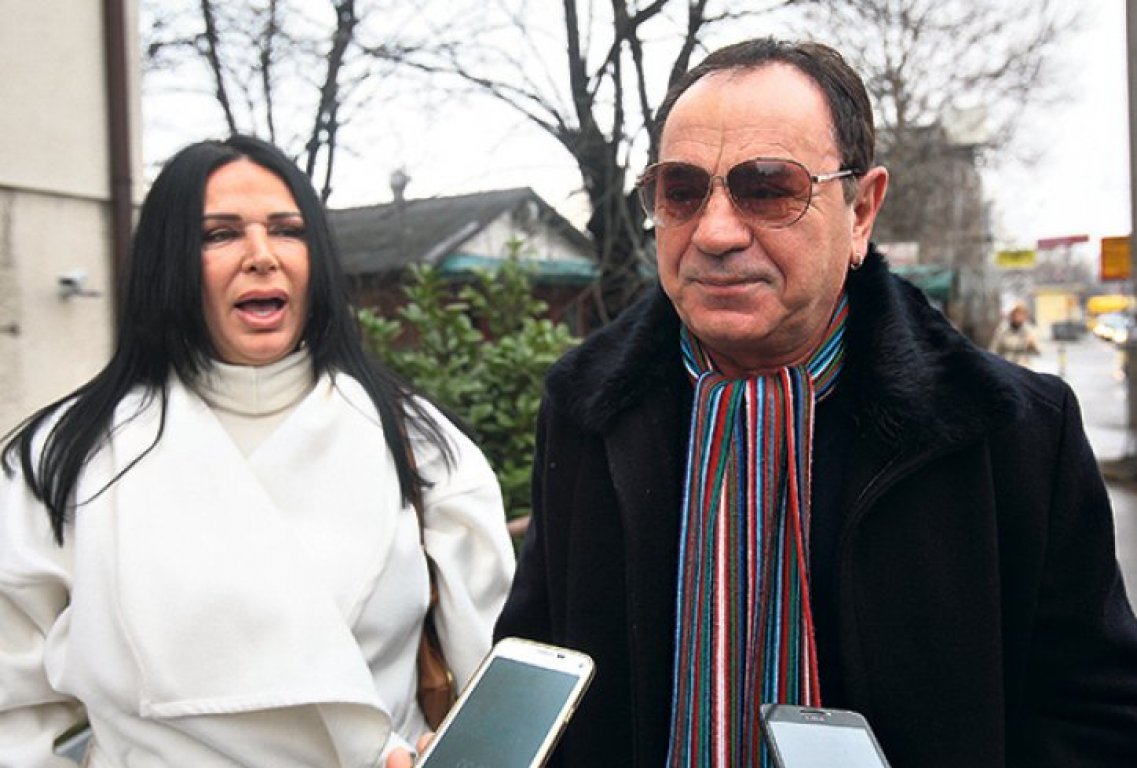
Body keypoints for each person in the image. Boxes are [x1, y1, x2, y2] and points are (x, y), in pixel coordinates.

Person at [494, 38, 1137, 767]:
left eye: (768, 188)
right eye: (680, 190)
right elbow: (534, 674)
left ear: (861, 211)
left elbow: (1093, 719)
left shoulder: (1013, 434)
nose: (714, 232)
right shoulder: (583, 410)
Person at [0, 135, 515, 766]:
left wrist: (461, 754)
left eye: (287, 230)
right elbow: (9, 715)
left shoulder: (419, 443)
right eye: (219, 234)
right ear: (168, 261)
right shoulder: (64, 458)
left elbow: (500, 687)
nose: (262, 257)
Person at [989, 301, 1041, 366]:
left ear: (1025, 316)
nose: (1018, 317)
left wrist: (1032, 345)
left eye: (1021, 314)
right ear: (1011, 315)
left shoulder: (1029, 330)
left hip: (1023, 366)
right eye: (1016, 314)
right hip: (1006, 365)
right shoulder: (1002, 330)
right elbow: (994, 350)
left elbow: (1039, 352)